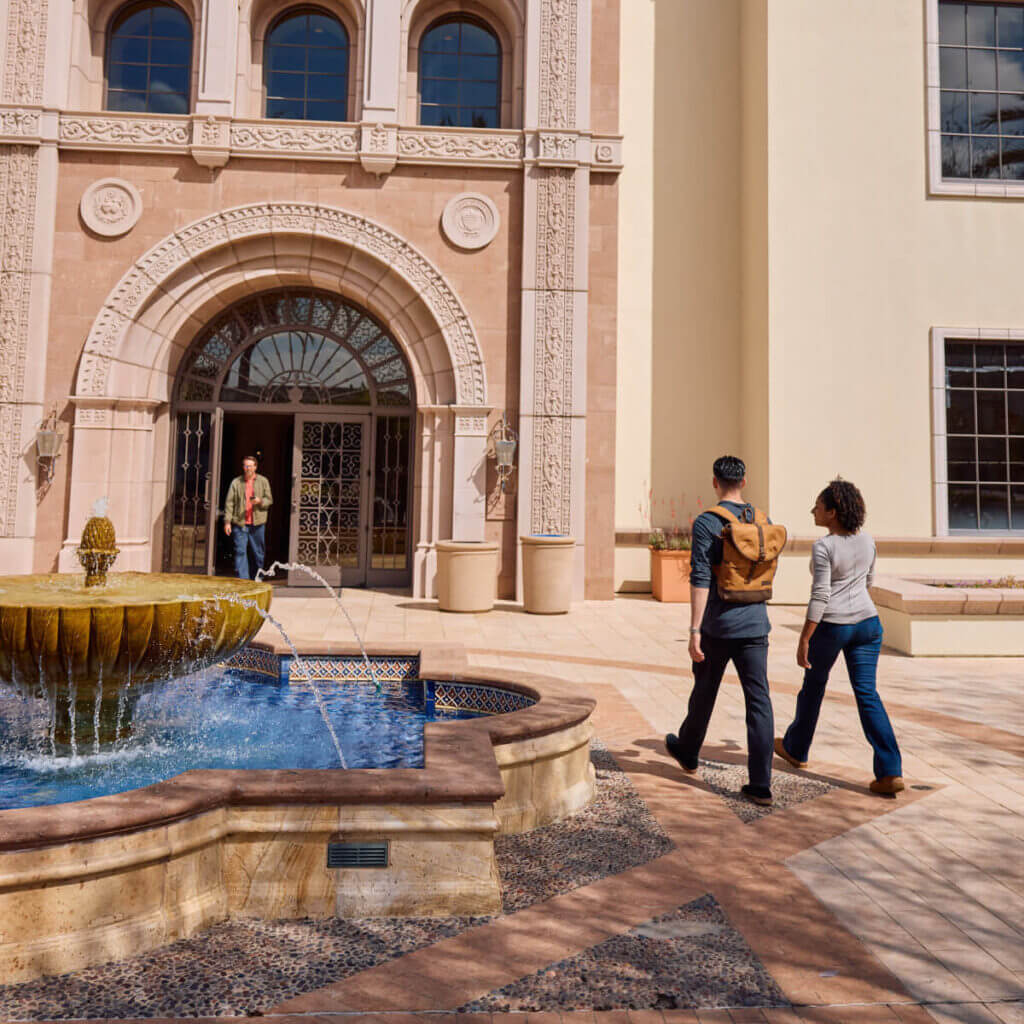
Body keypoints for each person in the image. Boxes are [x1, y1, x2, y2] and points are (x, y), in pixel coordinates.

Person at [774, 479, 904, 795]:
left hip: (833, 626)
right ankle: (890, 771)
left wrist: (805, 637)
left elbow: (820, 594)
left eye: (818, 507)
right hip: (868, 624)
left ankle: (796, 748)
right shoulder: (868, 541)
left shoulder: (825, 546)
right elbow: (869, 581)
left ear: (832, 512)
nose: (813, 511)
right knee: (867, 693)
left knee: (813, 687)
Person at [664, 455, 776, 806]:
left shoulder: (707, 522)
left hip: (718, 625)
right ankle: (760, 785)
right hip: (756, 623)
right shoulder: (763, 521)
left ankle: (688, 750)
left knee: (705, 690)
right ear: (744, 481)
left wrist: (695, 629)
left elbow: (699, 577)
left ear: (715, 482)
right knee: (759, 701)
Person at [223, 455, 273, 580]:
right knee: (240, 552)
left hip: (258, 523)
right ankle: (243, 580)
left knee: (258, 553)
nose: (248, 468)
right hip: (240, 523)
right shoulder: (236, 482)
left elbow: (269, 500)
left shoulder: (263, 481)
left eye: (250, 466)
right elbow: (229, 503)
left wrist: (260, 501)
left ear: (255, 467)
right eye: (245, 466)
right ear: (243, 467)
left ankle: (257, 578)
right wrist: (227, 522)